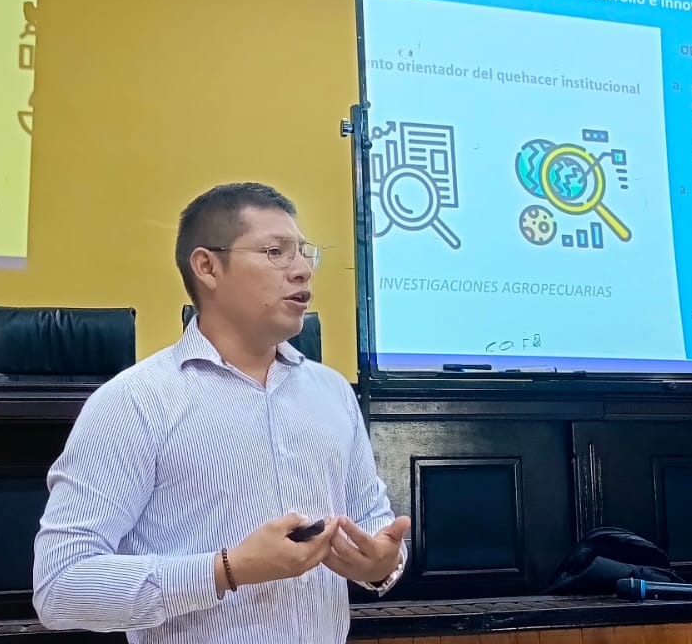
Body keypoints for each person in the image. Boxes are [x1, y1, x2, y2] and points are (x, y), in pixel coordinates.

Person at [33, 182, 410, 643]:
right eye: (276, 252)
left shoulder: (332, 392)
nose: (302, 270)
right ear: (207, 267)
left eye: (304, 253)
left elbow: (373, 523)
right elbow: (60, 586)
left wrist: (382, 564)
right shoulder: (134, 402)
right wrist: (226, 570)